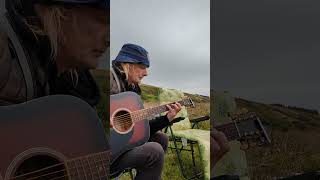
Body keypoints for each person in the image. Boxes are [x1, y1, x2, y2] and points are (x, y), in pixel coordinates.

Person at [0, 0, 109, 107]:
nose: (109, 40)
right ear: (58, 11)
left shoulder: (77, 89)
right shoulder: (4, 54)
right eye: (103, 20)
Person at [110, 43, 182, 180]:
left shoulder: (133, 89)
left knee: (161, 138)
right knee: (154, 151)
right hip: (108, 152)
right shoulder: (109, 79)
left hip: (123, 143)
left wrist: (166, 118)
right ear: (128, 64)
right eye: (142, 67)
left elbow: (140, 128)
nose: (146, 73)